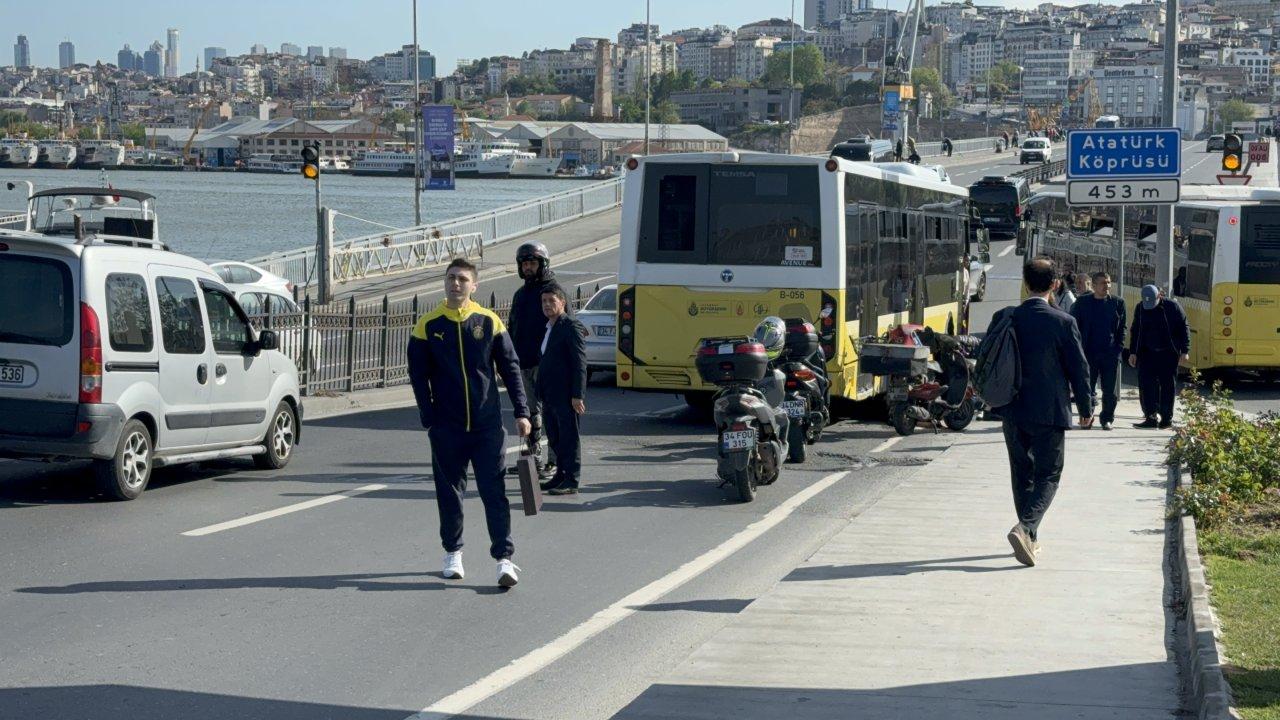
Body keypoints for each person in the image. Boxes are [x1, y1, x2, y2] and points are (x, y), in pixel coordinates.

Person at [407, 258, 532, 588]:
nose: (456, 283)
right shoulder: (428, 325)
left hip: (487, 426)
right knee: (450, 494)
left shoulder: (488, 321)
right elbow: (418, 376)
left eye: (463, 279)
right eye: (451, 278)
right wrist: (428, 416)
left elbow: (511, 369)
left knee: (495, 493)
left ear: (473, 285)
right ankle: (453, 552)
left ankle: (504, 559)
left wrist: (522, 412)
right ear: (444, 283)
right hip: (447, 428)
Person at [987, 257, 1093, 567]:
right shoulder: (1062, 322)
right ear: (1056, 285)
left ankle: (1028, 537)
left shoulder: (1004, 317)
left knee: (1022, 474)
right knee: (1049, 475)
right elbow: (1079, 368)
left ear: (1025, 282)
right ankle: (1026, 528)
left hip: (1012, 409)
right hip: (1049, 410)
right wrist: (1086, 407)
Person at [508, 242, 558, 479]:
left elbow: (565, 326)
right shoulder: (521, 294)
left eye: (532, 263)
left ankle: (555, 461)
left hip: (546, 363)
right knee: (529, 415)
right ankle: (531, 459)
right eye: (525, 263)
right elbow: (513, 327)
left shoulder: (552, 290)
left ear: (542, 264)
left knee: (551, 414)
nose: (528, 267)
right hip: (523, 362)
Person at [536, 284, 588, 496]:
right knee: (555, 437)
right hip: (549, 394)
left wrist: (578, 395)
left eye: (551, 301)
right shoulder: (550, 326)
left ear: (562, 302)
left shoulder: (571, 326)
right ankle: (560, 475)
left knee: (569, 437)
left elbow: (579, 363)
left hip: (566, 395)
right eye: (544, 301)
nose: (547, 305)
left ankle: (572, 480)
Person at [1127, 284, 1190, 429]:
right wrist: (1133, 352)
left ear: (1159, 296)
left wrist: (1185, 351)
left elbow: (1184, 327)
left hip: (1168, 353)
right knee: (1146, 385)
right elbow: (1136, 330)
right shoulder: (1140, 308)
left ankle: (1166, 419)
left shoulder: (1172, 307)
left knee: (1167, 386)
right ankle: (1150, 417)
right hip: (1147, 353)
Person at [1070, 272, 1126, 430]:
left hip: (1110, 354)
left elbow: (1122, 329)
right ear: (1093, 286)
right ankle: (1086, 416)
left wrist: (1118, 350)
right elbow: (1073, 326)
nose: (1107, 286)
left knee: (1109, 391)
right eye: (1103, 283)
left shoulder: (1117, 303)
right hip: (1088, 354)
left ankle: (1107, 419)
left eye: (1108, 282)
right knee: (1087, 388)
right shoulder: (1082, 303)